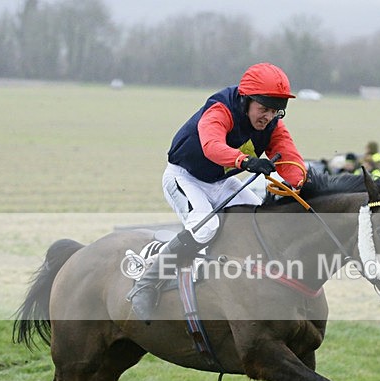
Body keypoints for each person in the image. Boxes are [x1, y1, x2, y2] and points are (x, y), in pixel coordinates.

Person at [128, 63, 307, 321]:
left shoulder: (273, 125)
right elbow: (212, 145)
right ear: (245, 100)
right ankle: (147, 281)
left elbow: (289, 158)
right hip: (184, 177)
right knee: (205, 228)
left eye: (275, 111)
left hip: (222, 183)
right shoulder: (220, 109)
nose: (268, 117)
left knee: (260, 221)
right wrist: (245, 162)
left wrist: (300, 184)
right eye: (263, 109)